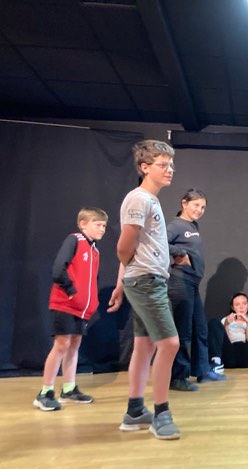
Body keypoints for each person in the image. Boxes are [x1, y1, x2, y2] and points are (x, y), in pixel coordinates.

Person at [107, 140, 181, 440]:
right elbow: (124, 246)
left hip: (143, 278)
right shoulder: (140, 199)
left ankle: (135, 410)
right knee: (170, 344)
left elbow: (134, 248)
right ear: (144, 167)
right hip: (147, 280)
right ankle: (161, 412)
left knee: (144, 346)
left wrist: (121, 282)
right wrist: (129, 275)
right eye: (163, 165)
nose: (170, 170)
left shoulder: (150, 200)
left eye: (171, 165)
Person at [34, 207, 108, 411]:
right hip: (65, 303)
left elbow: (91, 280)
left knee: (74, 345)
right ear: (83, 224)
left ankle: (68, 388)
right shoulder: (74, 239)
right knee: (61, 344)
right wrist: (72, 291)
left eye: (104, 226)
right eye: (98, 224)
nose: (102, 229)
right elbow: (58, 268)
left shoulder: (95, 250)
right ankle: (45, 392)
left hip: (81, 309)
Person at [167, 189, 223, 392]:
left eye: (203, 207)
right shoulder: (175, 225)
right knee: (183, 332)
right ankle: (178, 377)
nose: (199, 210)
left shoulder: (192, 225)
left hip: (192, 283)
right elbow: (159, 243)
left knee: (200, 329)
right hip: (180, 282)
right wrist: (180, 253)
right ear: (184, 203)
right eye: (196, 205)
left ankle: (202, 370)